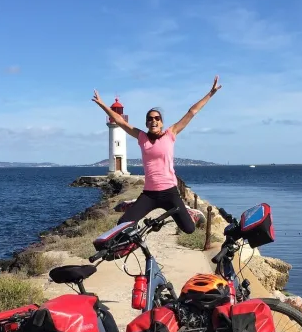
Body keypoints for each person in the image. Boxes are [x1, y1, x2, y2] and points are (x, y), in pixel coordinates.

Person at [92, 76, 222, 234]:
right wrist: (102, 104)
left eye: (157, 118)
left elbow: (191, 112)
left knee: (189, 229)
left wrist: (211, 93)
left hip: (170, 192)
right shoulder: (141, 137)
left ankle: (189, 212)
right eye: (150, 119)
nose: (153, 121)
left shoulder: (171, 133)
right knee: (122, 225)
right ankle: (134, 205)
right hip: (149, 194)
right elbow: (120, 121)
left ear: (161, 122)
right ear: (146, 123)